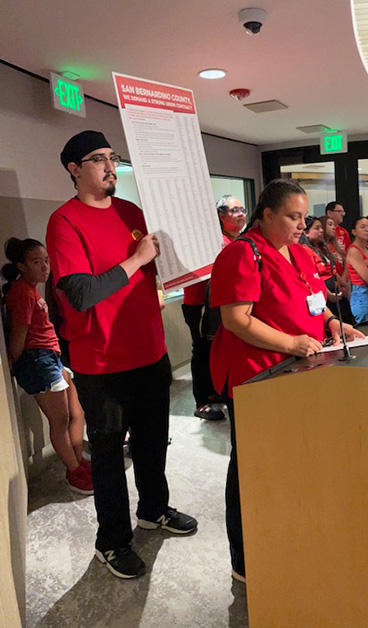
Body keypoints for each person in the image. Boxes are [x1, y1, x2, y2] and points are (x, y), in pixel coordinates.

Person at [47, 131, 197, 579]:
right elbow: (80, 293)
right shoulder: (65, 222)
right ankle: (111, 541)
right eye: (98, 159)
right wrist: (136, 260)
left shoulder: (132, 212)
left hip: (150, 352)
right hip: (103, 364)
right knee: (110, 458)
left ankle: (153, 509)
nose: (110, 167)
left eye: (113, 158)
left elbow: (163, 268)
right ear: (75, 169)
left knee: (153, 444)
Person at [210, 179, 366, 582]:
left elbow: (314, 302)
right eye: (292, 217)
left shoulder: (299, 252)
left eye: (302, 216)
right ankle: (244, 558)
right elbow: (236, 320)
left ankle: (287, 534)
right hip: (257, 377)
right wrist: (293, 342)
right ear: (266, 215)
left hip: (298, 371)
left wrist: (335, 323)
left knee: (289, 461)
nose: (301, 224)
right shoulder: (243, 255)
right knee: (250, 466)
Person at [4, 238, 91, 494]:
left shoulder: (30, 289)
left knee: (76, 412)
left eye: (46, 261)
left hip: (50, 356)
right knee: (60, 419)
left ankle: (78, 463)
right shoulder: (21, 292)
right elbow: (19, 334)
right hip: (38, 360)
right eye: (36, 262)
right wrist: (14, 359)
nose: (44, 267)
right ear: (21, 265)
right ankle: (74, 472)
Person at [181, 194, 245, 421]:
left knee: (218, 348)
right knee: (201, 350)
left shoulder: (238, 240)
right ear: (221, 216)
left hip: (221, 304)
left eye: (242, 209)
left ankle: (216, 391)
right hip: (199, 303)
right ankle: (202, 401)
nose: (240, 214)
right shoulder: (211, 240)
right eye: (234, 211)